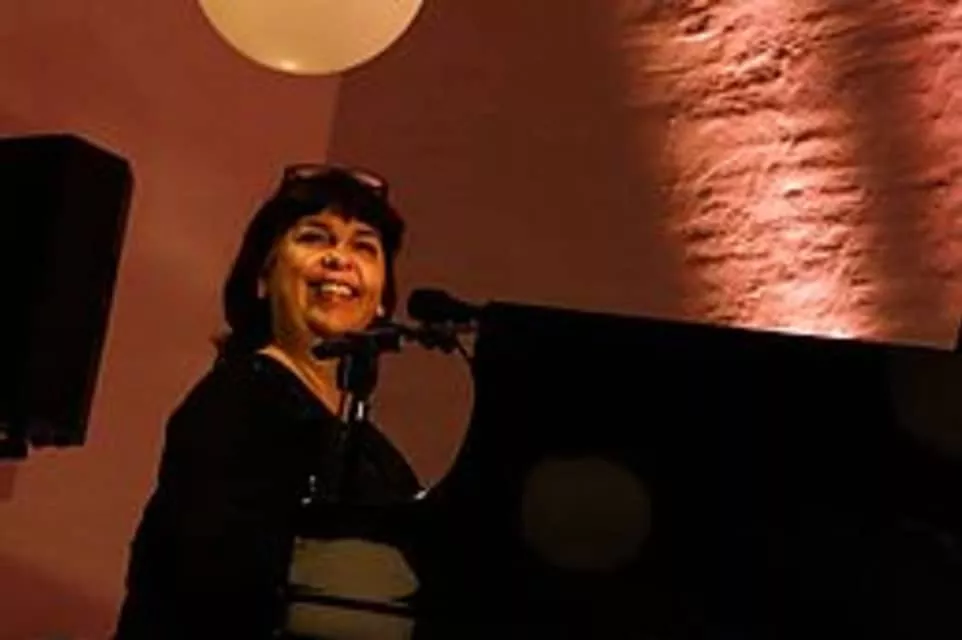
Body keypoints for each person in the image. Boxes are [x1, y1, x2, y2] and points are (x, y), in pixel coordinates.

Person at [114, 165, 423, 639]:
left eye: (364, 246)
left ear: (382, 300)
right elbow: (212, 586)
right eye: (314, 238)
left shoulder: (375, 450)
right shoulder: (234, 404)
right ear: (263, 276)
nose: (339, 259)